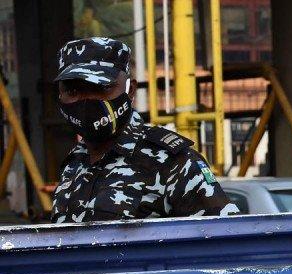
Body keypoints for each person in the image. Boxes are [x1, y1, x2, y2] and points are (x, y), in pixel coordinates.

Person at [51, 37, 238, 223]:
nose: (87, 102)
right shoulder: (74, 164)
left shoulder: (173, 162)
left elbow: (227, 238)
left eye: (101, 88)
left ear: (130, 90)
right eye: (73, 92)